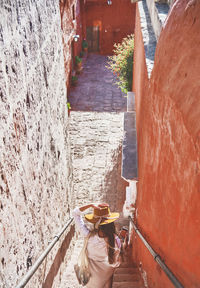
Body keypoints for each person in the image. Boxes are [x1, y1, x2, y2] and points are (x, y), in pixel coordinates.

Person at [73, 203, 121, 288]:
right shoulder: (115, 240)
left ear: (96, 224)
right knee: (109, 277)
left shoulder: (88, 235)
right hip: (106, 272)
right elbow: (116, 261)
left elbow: (75, 213)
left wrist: (90, 205)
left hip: (91, 275)